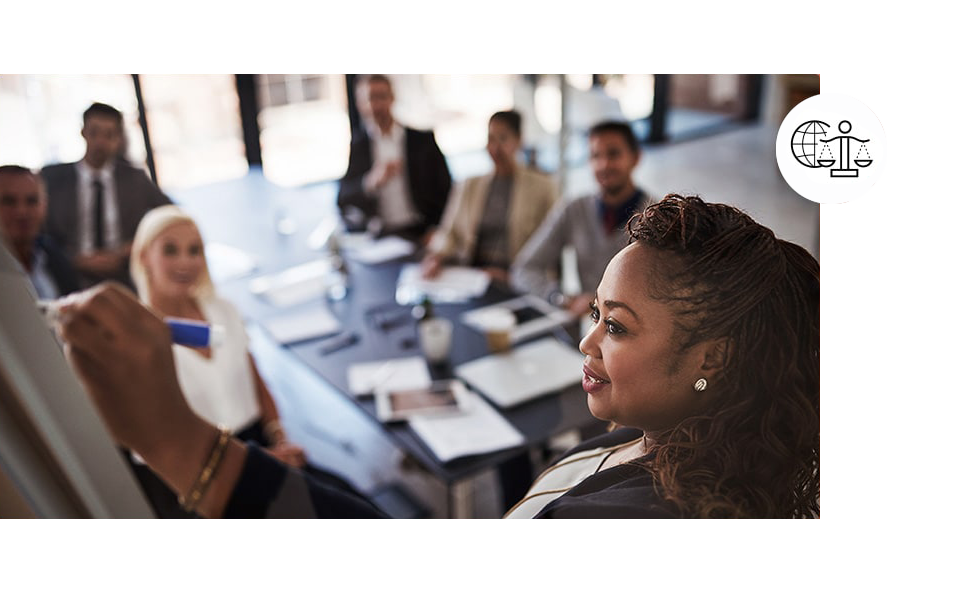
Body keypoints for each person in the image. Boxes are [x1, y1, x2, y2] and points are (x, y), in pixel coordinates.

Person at [58, 195, 819, 519]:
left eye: (615, 326)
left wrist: (178, 441)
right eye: (592, 314)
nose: (585, 340)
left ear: (709, 357)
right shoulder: (661, 431)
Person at [126, 205, 366, 517]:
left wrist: (280, 438)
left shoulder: (223, 311)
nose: (185, 261)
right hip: (200, 479)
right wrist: (255, 468)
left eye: (194, 250)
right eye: (170, 250)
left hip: (258, 447)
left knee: (351, 503)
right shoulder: (137, 343)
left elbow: (255, 381)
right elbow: (160, 453)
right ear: (144, 256)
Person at [511, 120, 651, 316]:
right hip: (587, 328)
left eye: (613, 154)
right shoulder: (574, 209)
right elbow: (524, 269)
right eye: (595, 156)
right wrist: (560, 298)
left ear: (635, 158)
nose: (603, 165)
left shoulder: (657, 218)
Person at [41, 102, 172, 290]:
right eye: (94, 133)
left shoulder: (135, 179)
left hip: (125, 275)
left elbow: (170, 216)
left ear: (119, 138)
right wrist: (74, 259)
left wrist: (130, 248)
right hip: (70, 277)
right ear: (83, 132)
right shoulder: (53, 179)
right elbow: (42, 234)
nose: (100, 142)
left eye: (109, 135)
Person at [421, 110, 558, 285]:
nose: (495, 148)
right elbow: (449, 232)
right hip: (473, 275)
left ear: (519, 141)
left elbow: (550, 248)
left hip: (515, 278)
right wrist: (436, 257)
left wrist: (513, 278)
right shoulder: (470, 185)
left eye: (503, 138)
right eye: (491, 139)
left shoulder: (542, 187)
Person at [337, 75, 452, 244]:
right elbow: (343, 197)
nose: (376, 105)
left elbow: (447, 191)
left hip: (421, 230)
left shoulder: (422, 141)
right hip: (382, 235)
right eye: (370, 98)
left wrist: (437, 229)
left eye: (381, 97)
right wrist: (370, 182)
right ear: (360, 104)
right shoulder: (359, 146)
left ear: (392, 98)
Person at [0, 165, 79, 299]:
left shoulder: (54, 256)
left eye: (32, 201)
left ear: (44, 205)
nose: (21, 212)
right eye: (9, 201)